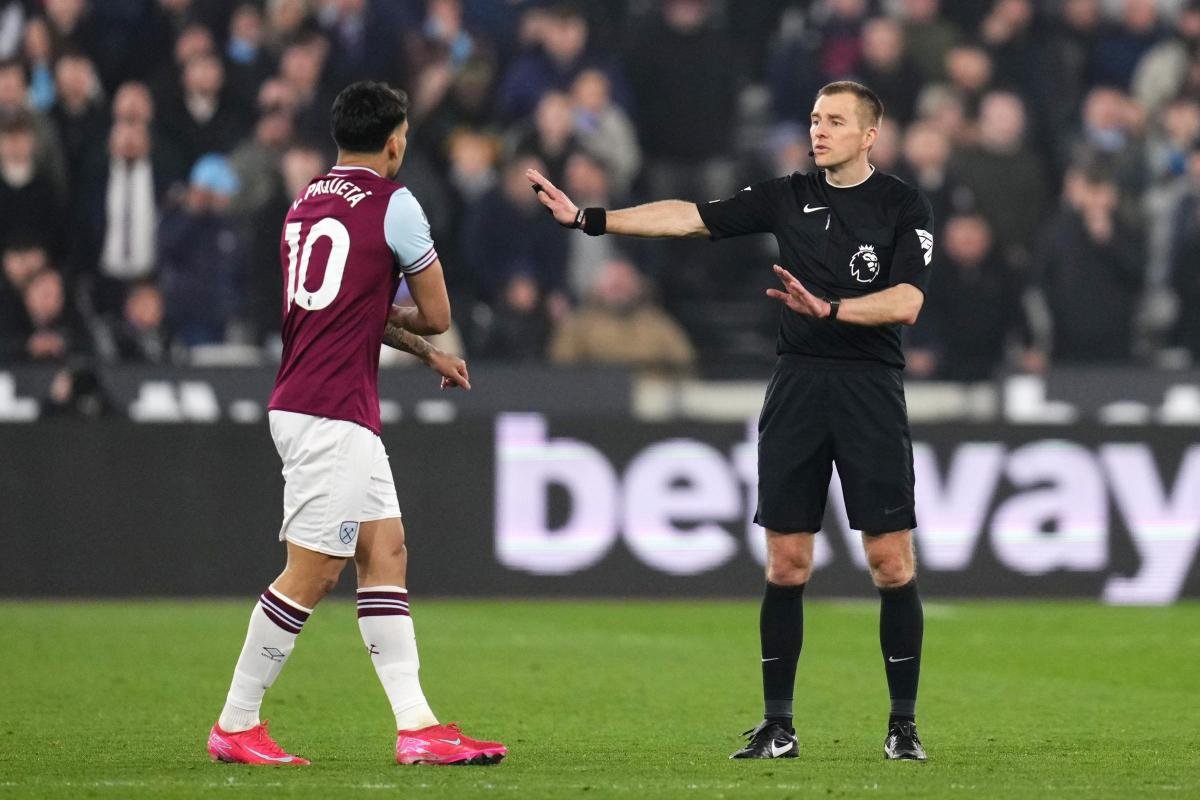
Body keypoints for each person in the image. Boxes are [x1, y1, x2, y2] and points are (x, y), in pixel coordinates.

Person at [528, 80, 933, 762]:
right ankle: (778, 725)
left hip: (870, 388)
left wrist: (831, 310)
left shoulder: (901, 204)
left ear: (870, 135)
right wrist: (591, 219)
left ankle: (902, 725)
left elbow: (907, 302)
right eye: (813, 119)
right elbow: (689, 215)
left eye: (835, 121)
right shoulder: (787, 194)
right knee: (786, 560)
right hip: (798, 386)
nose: (819, 130)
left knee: (890, 563)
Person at [207, 81, 506, 767]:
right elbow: (434, 310)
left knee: (386, 552)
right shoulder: (395, 204)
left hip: (316, 400)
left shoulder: (305, 200)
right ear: (395, 138)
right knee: (311, 574)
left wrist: (424, 352)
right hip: (329, 410)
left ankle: (418, 726)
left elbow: (342, 308)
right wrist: (429, 336)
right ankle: (236, 721)